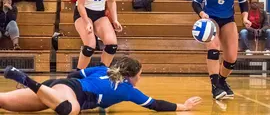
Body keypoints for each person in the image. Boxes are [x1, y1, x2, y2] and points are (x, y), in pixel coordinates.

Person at [2, 57, 201, 114]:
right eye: (139, 76)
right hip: (71, 92)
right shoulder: (127, 90)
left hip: (58, 87)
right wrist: (183, 106)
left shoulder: (102, 70)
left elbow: (74, 74)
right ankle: (25, 79)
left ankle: (32, 85)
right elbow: (155, 105)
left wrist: (56, 86)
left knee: (3, 101)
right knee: (70, 110)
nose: (139, 79)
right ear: (130, 76)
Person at [191, 0, 252, 100]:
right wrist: (201, 14)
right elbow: (195, 3)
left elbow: (243, 2)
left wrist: (245, 18)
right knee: (213, 48)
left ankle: (222, 81)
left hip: (228, 19)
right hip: (211, 18)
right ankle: (215, 87)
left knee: (231, 57)